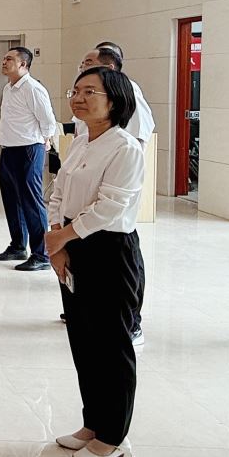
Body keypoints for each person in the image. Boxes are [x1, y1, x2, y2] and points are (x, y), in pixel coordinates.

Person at [43, 66, 146, 457]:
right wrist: (57, 235)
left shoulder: (125, 147)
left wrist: (63, 237)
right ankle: (94, 423)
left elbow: (112, 205)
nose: (79, 98)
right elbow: (58, 192)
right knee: (84, 340)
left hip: (109, 250)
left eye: (90, 92)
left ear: (115, 100)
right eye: (76, 91)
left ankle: (114, 436)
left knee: (111, 345)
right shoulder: (82, 140)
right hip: (72, 243)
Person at [72, 46, 154, 343]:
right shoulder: (84, 132)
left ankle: (132, 320)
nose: (84, 67)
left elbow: (137, 140)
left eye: (89, 63)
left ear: (109, 68)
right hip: (85, 209)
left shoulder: (126, 97)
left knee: (123, 272)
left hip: (114, 211)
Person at [0, 46, 57, 272]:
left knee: (31, 200)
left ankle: (42, 254)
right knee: (11, 199)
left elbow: (48, 120)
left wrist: (45, 140)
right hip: (9, 149)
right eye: (4, 58)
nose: (4, 62)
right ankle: (18, 246)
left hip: (29, 149)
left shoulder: (33, 88)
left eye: (9, 59)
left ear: (23, 64)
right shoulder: (8, 88)